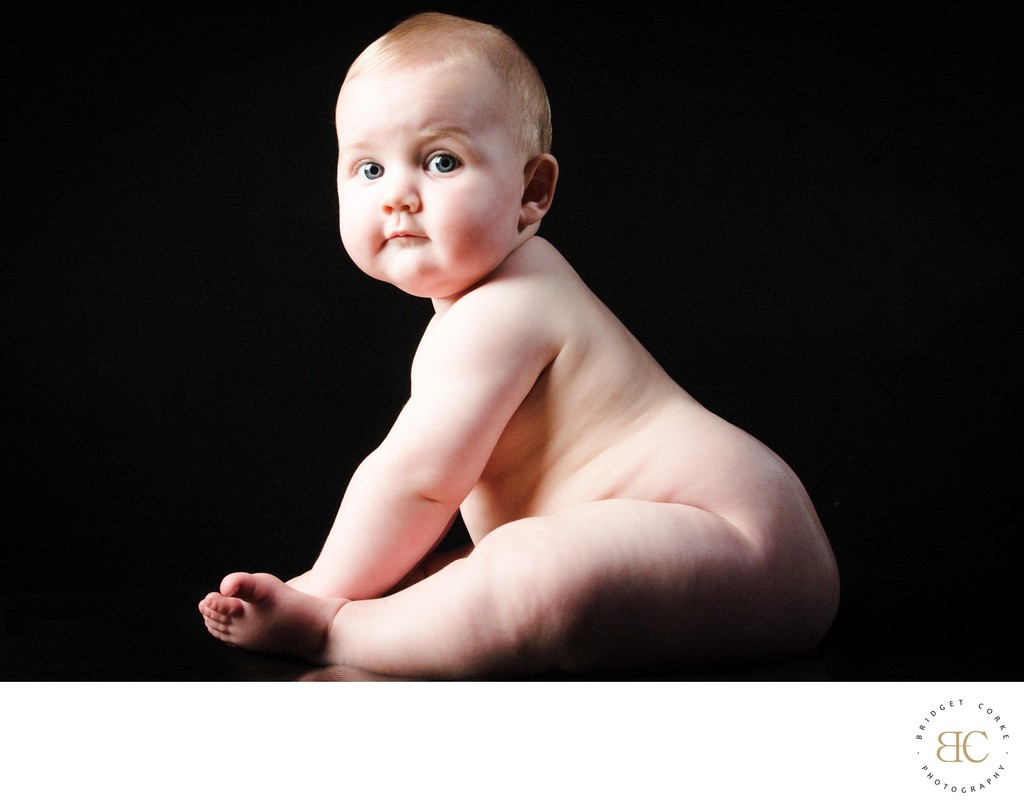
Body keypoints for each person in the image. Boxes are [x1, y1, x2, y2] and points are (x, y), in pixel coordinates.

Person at [198, 11, 840, 679]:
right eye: (367, 168)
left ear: (531, 194)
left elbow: (417, 482)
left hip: (736, 540)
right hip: (729, 551)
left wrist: (323, 588)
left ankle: (335, 630)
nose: (397, 197)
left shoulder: (508, 306)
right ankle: (379, 612)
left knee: (533, 576)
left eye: (440, 161)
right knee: (468, 569)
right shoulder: (486, 304)